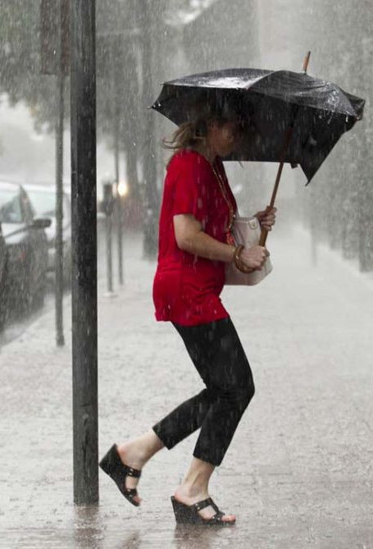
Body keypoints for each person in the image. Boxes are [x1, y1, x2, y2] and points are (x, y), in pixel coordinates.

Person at [99, 103, 276, 526]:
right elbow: (186, 234)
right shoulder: (189, 165)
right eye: (236, 124)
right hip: (186, 289)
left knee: (224, 389)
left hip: (198, 290)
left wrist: (254, 224)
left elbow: (216, 224)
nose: (240, 133)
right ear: (212, 124)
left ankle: (133, 454)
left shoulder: (213, 167)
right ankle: (191, 488)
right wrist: (237, 253)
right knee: (237, 388)